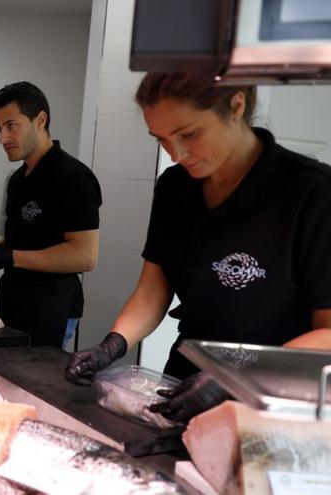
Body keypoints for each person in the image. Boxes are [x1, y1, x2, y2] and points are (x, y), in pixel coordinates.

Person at [65, 72, 331, 423]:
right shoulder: (175, 188)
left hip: (271, 399)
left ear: (236, 106)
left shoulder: (312, 194)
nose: (176, 154)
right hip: (184, 379)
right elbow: (153, 289)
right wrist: (113, 344)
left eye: (189, 134)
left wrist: (231, 378)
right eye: (161, 139)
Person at [0, 81, 102, 347]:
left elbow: (85, 256)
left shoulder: (72, 177)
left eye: (12, 126)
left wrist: (10, 256)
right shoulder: (19, 179)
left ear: (40, 120)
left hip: (51, 311)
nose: (3, 139)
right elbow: (28, 240)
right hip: (14, 306)